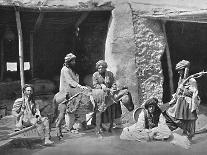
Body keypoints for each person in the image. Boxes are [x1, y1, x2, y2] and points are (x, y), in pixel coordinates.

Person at [163, 60, 200, 140]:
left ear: (184, 70)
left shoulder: (192, 80)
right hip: (180, 103)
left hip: (188, 104)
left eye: (180, 70)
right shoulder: (180, 80)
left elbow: (195, 94)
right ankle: (181, 132)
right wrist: (173, 99)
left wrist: (184, 90)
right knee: (171, 114)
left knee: (188, 120)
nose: (179, 72)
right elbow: (177, 93)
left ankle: (188, 134)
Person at [56, 53, 88, 137]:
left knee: (81, 103)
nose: (74, 62)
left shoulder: (72, 69)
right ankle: (69, 127)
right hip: (66, 91)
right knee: (69, 109)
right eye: (73, 61)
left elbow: (75, 80)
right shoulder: (65, 69)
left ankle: (80, 123)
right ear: (69, 62)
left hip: (73, 90)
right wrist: (79, 86)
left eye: (74, 61)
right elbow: (69, 81)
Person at [92, 60, 122, 129]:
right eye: (99, 68)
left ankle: (117, 122)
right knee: (104, 105)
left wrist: (113, 87)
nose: (100, 69)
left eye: (102, 68)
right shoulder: (95, 75)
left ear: (105, 68)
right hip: (100, 93)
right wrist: (101, 85)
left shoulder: (110, 74)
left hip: (110, 92)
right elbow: (95, 85)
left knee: (116, 101)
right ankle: (105, 123)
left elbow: (114, 82)